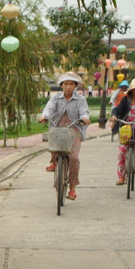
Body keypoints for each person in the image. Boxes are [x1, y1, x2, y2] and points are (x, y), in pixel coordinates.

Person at [39, 71, 91, 200]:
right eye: (66, 84)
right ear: (61, 85)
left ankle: (72, 189)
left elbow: (84, 111)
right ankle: (54, 161)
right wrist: (45, 116)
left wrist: (84, 118)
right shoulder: (55, 98)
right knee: (55, 140)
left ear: (75, 86)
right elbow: (49, 108)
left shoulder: (80, 99)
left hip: (74, 129)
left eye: (71, 84)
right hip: (58, 127)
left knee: (73, 158)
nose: (68, 86)